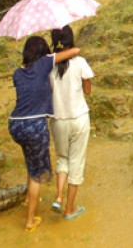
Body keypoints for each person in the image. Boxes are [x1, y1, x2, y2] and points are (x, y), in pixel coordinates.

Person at [8, 36, 80, 231]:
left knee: (30, 161)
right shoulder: (43, 64)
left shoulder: (17, 73)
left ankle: (27, 199)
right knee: (36, 175)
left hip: (15, 124)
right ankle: (30, 220)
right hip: (35, 125)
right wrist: (51, 55)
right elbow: (75, 51)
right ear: (42, 51)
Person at [50, 25, 93, 220]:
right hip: (79, 118)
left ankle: (58, 196)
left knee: (62, 159)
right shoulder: (80, 62)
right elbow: (88, 90)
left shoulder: (47, 64)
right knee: (76, 163)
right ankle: (70, 209)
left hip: (58, 120)